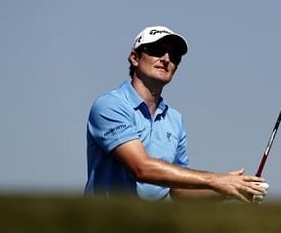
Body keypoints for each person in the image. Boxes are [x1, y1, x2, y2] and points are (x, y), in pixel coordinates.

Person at [85, 25, 268, 203]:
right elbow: (141, 168)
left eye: (174, 56)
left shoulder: (174, 119)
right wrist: (215, 180)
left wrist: (233, 189)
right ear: (135, 57)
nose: (166, 59)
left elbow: (179, 190)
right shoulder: (110, 105)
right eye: (157, 50)